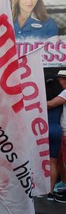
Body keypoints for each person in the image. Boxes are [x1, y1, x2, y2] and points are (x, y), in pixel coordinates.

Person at [47, 70, 66, 203]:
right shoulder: (60, 95)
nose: (60, 81)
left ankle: (44, 190)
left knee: (46, 161)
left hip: (47, 130)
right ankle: (52, 191)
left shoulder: (62, 94)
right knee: (56, 162)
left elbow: (49, 105)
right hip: (58, 131)